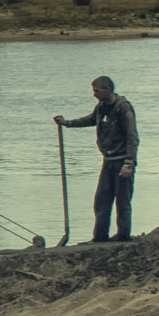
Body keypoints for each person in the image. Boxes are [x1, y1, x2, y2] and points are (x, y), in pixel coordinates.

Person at [56, 75, 139, 242]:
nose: (94, 94)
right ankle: (100, 237)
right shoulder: (101, 107)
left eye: (97, 91)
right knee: (102, 200)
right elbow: (91, 120)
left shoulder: (123, 109)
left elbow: (132, 137)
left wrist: (129, 163)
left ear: (108, 90)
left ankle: (123, 237)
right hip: (108, 161)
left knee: (122, 202)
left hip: (122, 161)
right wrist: (67, 123)